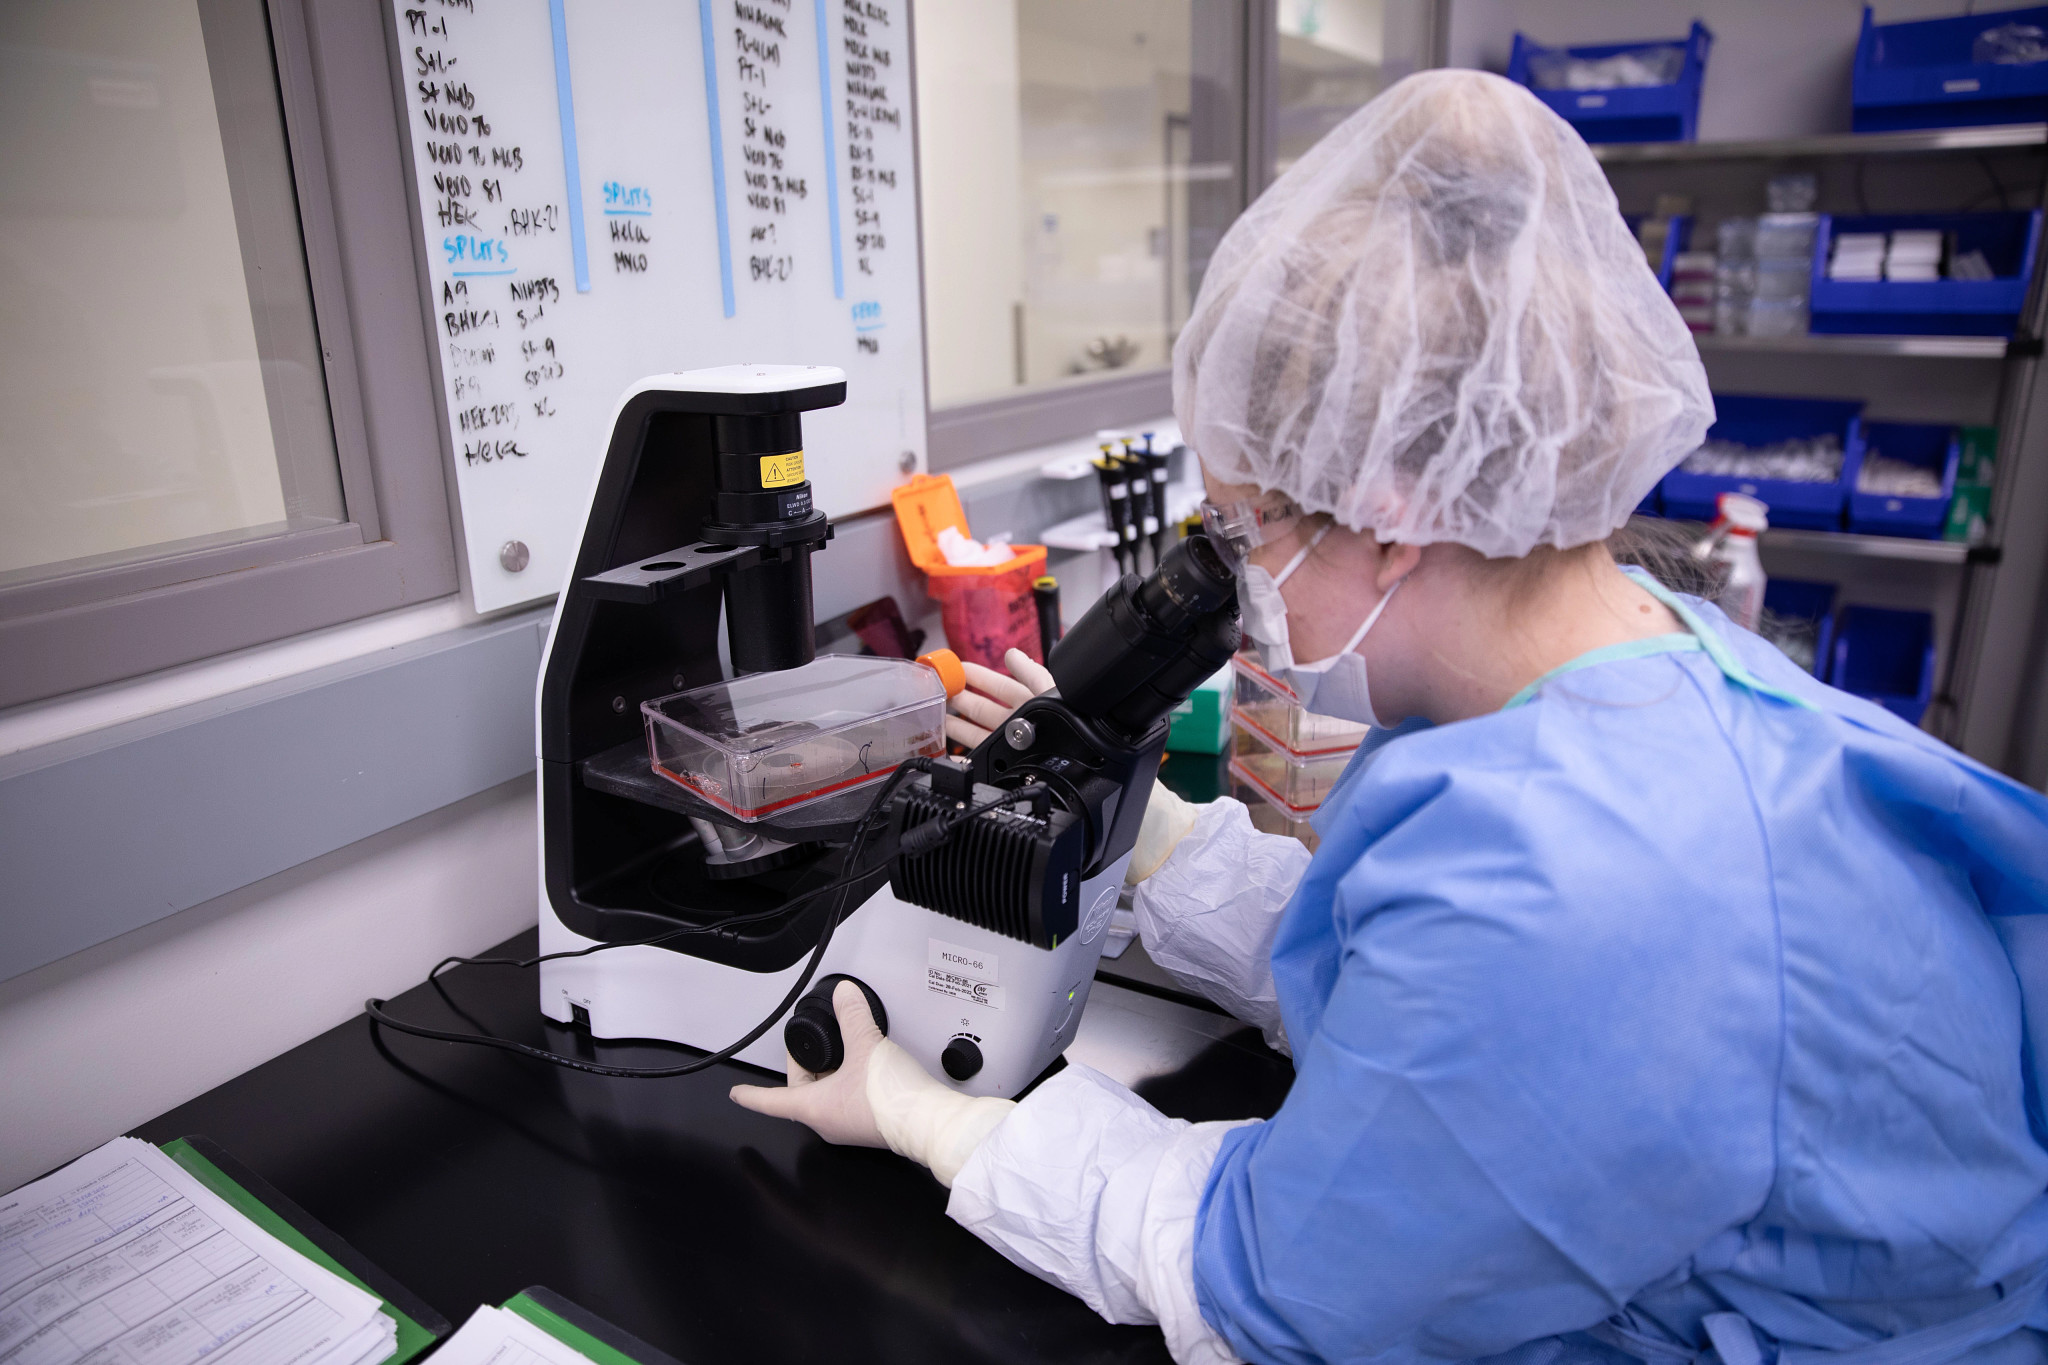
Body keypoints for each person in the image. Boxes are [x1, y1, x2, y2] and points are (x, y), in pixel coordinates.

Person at [733, 68, 2048, 1365]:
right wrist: (1157, 840)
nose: (1236, 583)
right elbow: (1420, 996)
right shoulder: (1642, 668)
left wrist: (933, 1119)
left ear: (1394, 511)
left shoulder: (1572, 881)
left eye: (1241, 528)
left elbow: (1267, 1281)